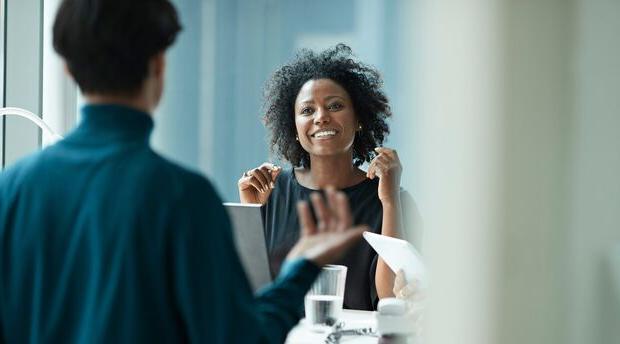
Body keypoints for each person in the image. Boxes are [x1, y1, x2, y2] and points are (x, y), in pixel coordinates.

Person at [0, 1, 365, 343]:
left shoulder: (11, 189)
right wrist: (302, 269)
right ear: (159, 64)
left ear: (67, 68)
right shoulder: (182, 196)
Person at [238, 44, 417, 311]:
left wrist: (390, 202)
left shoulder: (392, 198)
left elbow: (390, 301)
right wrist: (250, 212)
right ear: (294, 128)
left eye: (335, 106)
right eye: (307, 110)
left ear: (358, 118)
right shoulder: (271, 192)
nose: (321, 117)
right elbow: (247, 297)